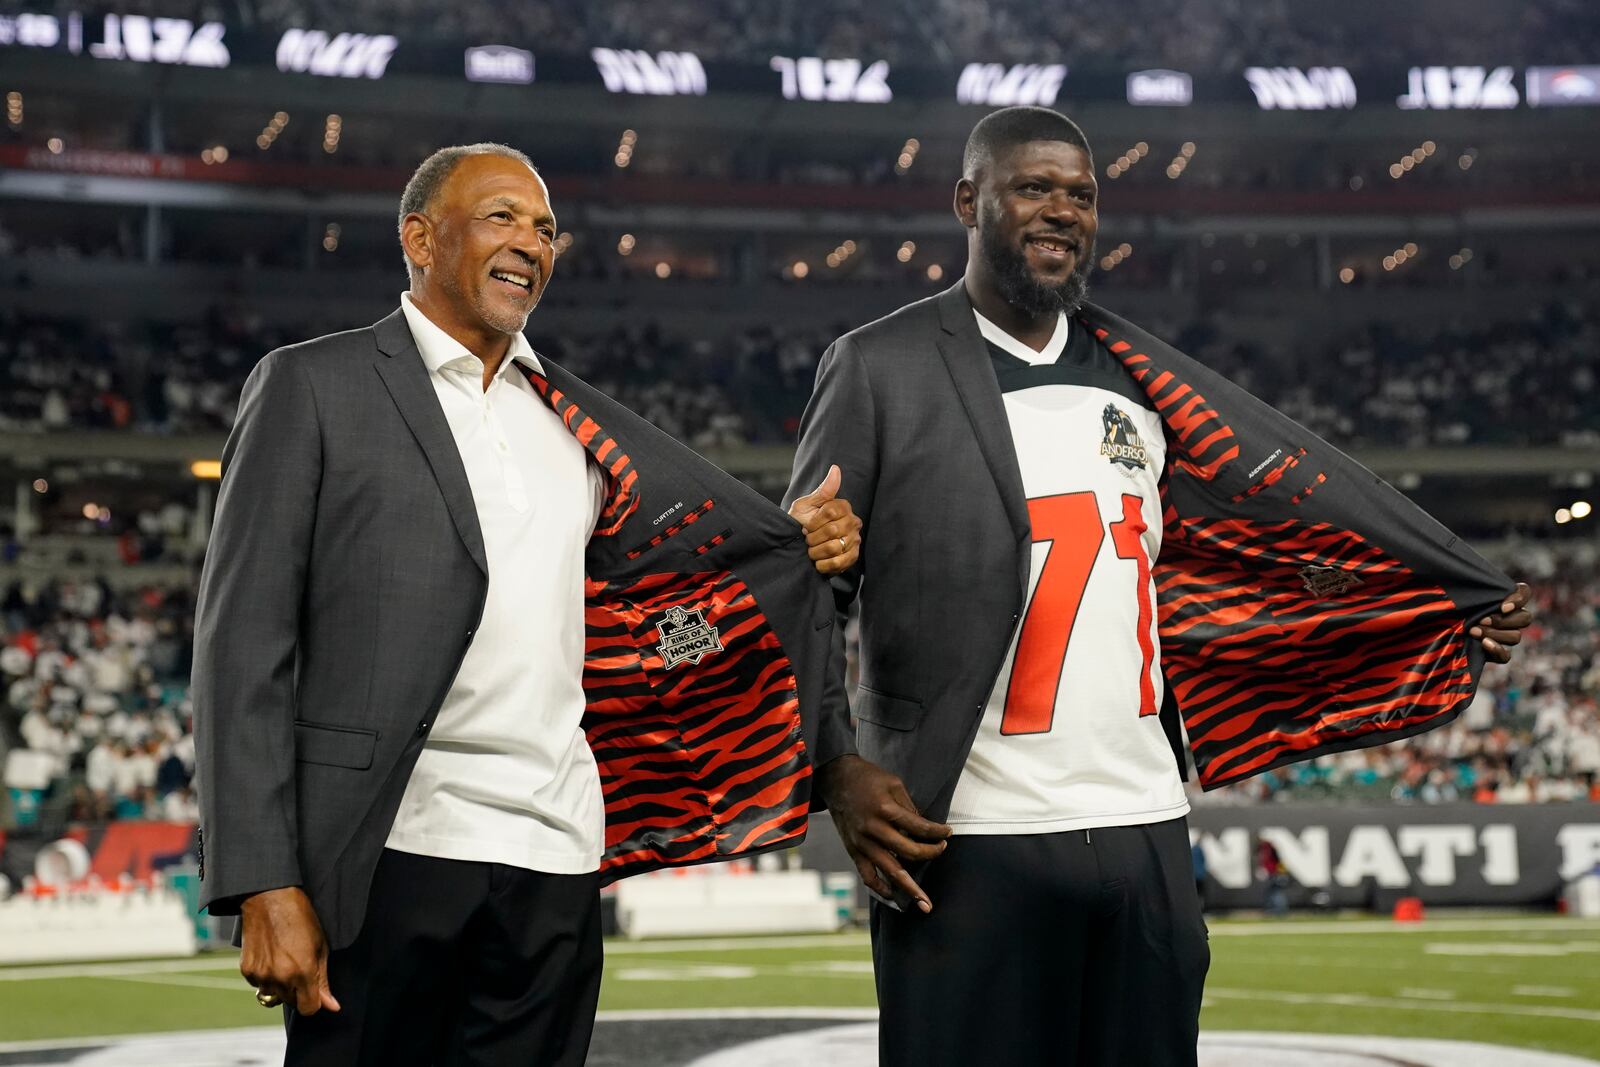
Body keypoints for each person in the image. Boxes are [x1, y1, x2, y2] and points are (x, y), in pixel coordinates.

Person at [785, 106, 1535, 1066]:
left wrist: (1442, 597)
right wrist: (838, 770)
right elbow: (809, 591)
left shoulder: (1149, 383)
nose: (1062, 210)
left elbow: (1262, 559)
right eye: (1034, 187)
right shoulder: (878, 365)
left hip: (1145, 828)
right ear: (969, 201)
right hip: (966, 836)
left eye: (1082, 194)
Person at [193, 143, 861, 1067]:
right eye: (502, 215)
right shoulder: (314, 386)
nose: (532, 242)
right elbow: (241, 644)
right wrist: (262, 879)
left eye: (546, 227)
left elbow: (684, 582)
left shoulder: (576, 423)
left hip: (554, 855)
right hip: (387, 850)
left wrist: (795, 543)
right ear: (418, 237)